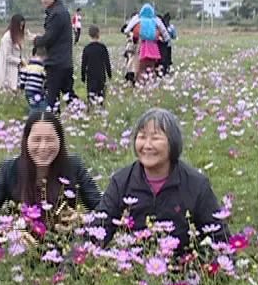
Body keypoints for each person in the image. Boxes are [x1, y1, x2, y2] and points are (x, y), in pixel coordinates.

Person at [96, 108, 229, 253]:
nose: (147, 145)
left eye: (155, 138)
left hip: (183, 268)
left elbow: (220, 238)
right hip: (133, 266)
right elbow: (98, 229)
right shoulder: (121, 181)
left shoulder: (195, 184)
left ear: (172, 143)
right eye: (142, 137)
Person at [0, 111, 102, 236]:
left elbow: (102, 208)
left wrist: (81, 220)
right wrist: (7, 232)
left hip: (65, 244)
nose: (43, 147)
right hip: (23, 247)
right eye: (36, 140)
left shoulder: (74, 166)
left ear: (60, 141)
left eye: (50, 139)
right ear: (26, 141)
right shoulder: (9, 170)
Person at [33, 0, 76, 114]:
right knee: (68, 94)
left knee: (51, 98)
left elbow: (49, 38)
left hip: (56, 62)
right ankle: (83, 112)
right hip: (64, 61)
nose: (44, 0)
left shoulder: (57, 14)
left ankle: (52, 124)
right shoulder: (60, 11)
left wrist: (36, 40)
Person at [123, 4, 170, 81]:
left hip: (142, 45)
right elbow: (165, 32)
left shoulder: (138, 18)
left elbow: (127, 30)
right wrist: (166, 40)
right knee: (152, 66)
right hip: (154, 46)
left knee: (141, 67)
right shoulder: (156, 19)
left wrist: (130, 34)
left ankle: (139, 82)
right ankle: (152, 82)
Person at [81, 24, 112, 107]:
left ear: (89, 34)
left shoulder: (87, 48)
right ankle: (101, 108)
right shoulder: (103, 47)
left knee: (91, 94)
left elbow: (83, 64)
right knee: (101, 94)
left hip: (90, 76)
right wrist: (109, 74)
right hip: (101, 75)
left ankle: (91, 109)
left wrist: (83, 76)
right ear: (98, 33)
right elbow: (107, 62)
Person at [0, 14, 26, 90]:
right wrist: (20, 61)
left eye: (22, 26)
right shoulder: (7, 38)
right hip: (7, 68)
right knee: (11, 89)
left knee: (17, 89)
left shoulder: (16, 36)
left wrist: (22, 61)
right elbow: (7, 57)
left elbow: (18, 53)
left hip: (16, 68)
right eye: (20, 26)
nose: (21, 28)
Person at [18, 45, 48, 114]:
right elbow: (47, 78)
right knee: (40, 105)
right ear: (43, 58)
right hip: (36, 92)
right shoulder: (41, 69)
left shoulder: (28, 67)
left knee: (33, 105)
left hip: (28, 92)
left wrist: (22, 86)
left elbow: (22, 76)